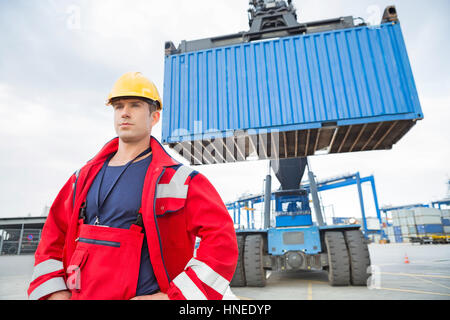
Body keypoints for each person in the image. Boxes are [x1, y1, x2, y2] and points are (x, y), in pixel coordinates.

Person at [28, 72, 238, 300]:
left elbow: (222, 240)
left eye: (135, 105)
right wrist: (55, 292)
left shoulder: (180, 180)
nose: (124, 113)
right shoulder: (83, 177)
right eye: (118, 106)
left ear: (154, 117)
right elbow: (53, 236)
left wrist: (173, 298)